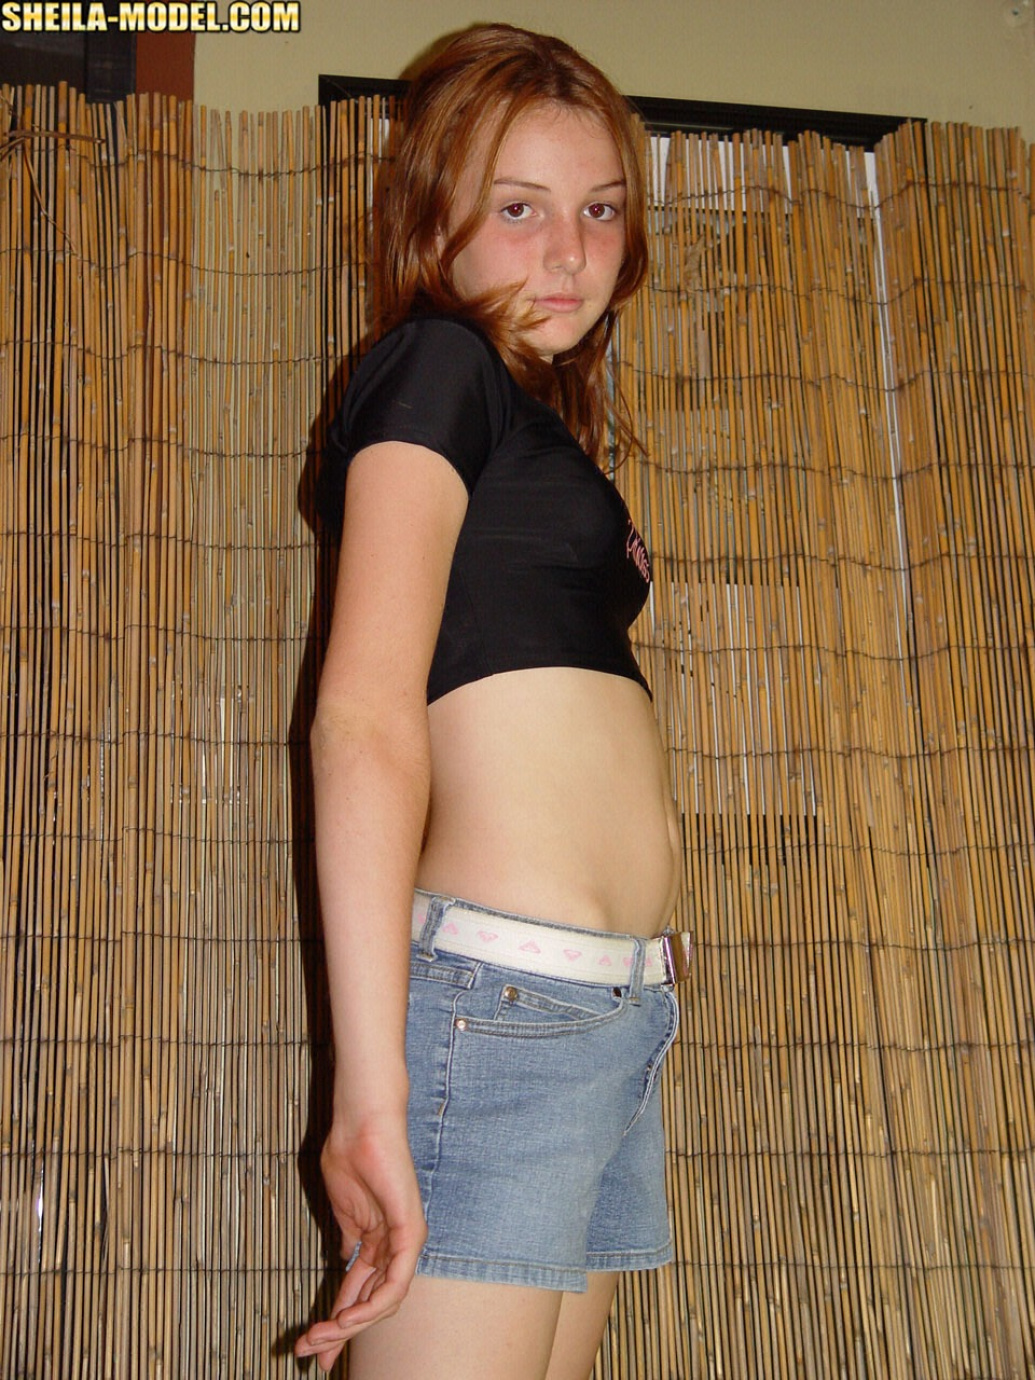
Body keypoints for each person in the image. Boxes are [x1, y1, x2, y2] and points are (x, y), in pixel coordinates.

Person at [294, 23, 692, 1379]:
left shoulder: (526, 420)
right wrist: (370, 1092)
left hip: (606, 1011)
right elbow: (362, 719)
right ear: (435, 222)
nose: (571, 252)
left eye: (601, 211)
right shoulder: (437, 364)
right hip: (502, 1006)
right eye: (519, 210)